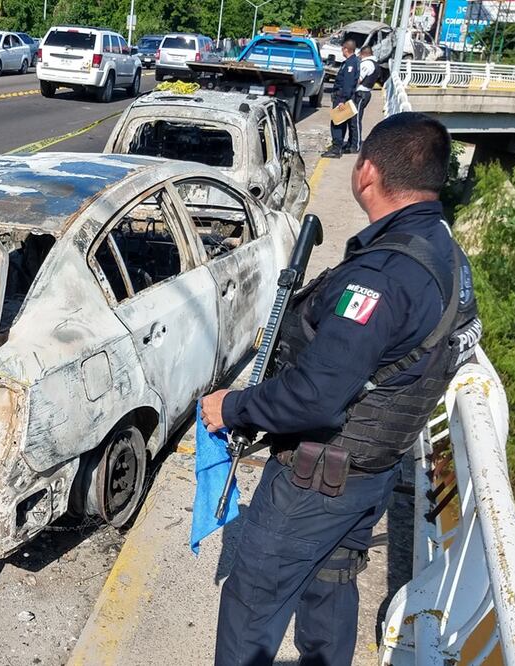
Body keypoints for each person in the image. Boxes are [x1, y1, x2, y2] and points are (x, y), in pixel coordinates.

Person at [201, 112, 481, 666]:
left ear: (367, 173)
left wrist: (232, 408)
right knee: (330, 584)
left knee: (252, 601)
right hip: (371, 470)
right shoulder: (443, 249)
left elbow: (315, 395)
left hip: (317, 479)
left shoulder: (380, 278)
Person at [322, 40, 359, 158]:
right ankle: (337, 147)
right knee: (341, 122)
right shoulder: (350, 62)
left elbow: (348, 84)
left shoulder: (350, 64)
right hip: (343, 96)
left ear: (345, 49)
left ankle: (336, 149)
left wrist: (343, 100)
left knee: (337, 123)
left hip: (342, 97)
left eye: (342, 48)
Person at [350, 47, 381, 153]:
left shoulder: (367, 64)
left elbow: (358, 79)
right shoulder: (374, 63)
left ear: (362, 54)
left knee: (356, 120)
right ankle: (352, 143)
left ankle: (356, 145)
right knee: (353, 119)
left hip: (361, 94)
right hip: (364, 93)